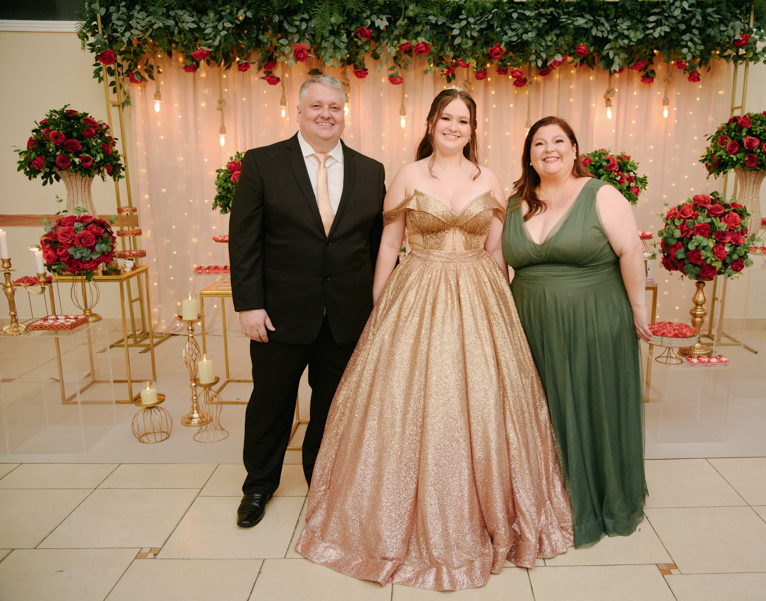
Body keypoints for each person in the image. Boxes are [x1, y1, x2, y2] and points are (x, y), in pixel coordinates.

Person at [297, 89, 573, 590]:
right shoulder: (407, 175)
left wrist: (503, 309)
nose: (454, 127)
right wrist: (382, 302)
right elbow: (388, 241)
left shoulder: (487, 179)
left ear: (473, 129)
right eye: (446, 118)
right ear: (430, 122)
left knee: (483, 400)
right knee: (407, 401)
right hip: (416, 287)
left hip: (478, 291)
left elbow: (494, 248)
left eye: (463, 120)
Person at [228, 74, 385, 528]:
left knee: (333, 406)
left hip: (346, 314)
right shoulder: (262, 163)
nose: (325, 115)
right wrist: (248, 304)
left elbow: (376, 247)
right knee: (271, 403)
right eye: (316, 106)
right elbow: (245, 240)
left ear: (344, 113)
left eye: (334, 107)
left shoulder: (369, 170)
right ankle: (258, 486)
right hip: (278, 315)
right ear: (298, 112)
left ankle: (324, 482)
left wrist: (378, 307)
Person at [501, 116, 651, 548]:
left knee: (591, 405)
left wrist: (639, 311)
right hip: (529, 325)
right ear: (529, 155)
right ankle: (544, 504)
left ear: (573, 148)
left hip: (594, 323)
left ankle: (594, 499)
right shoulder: (513, 204)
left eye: (558, 141)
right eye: (539, 143)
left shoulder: (601, 194)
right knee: (541, 414)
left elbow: (631, 250)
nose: (549, 149)